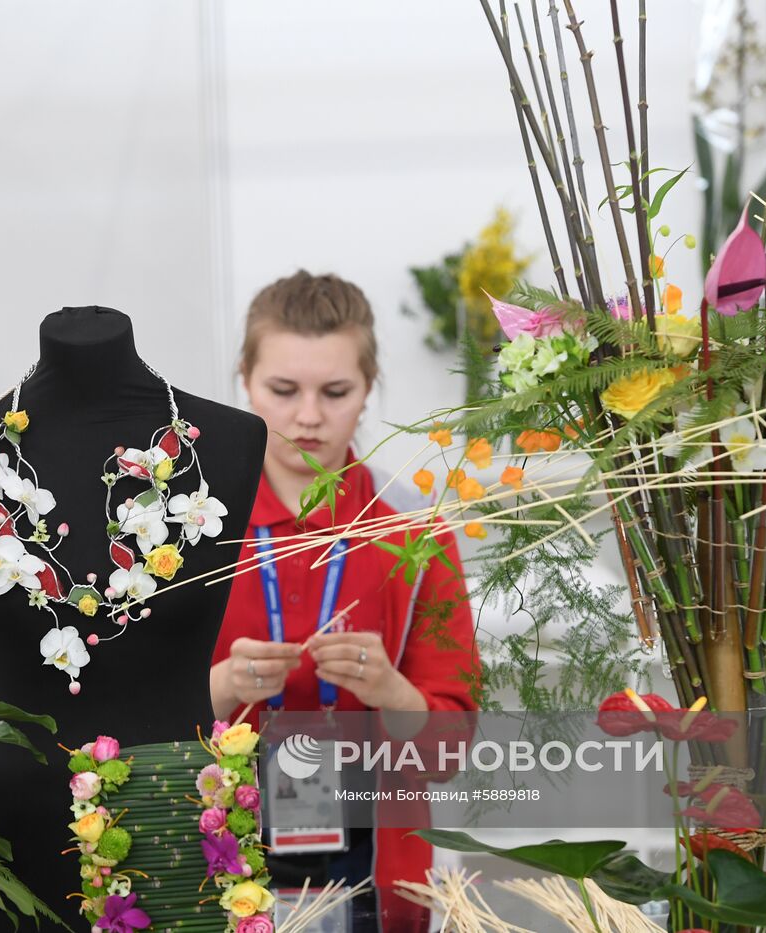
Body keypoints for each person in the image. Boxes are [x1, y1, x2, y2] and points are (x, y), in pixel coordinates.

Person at [210, 270, 479, 930]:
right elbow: (133, 733)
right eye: (283, 389)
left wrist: (392, 691)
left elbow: (448, 750)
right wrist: (220, 688)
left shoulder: (413, 529)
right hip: (212, 858)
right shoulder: (194, 532)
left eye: (335, 391)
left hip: (378, 876)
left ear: (368, 389)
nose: (308, 416)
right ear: (244, 379)